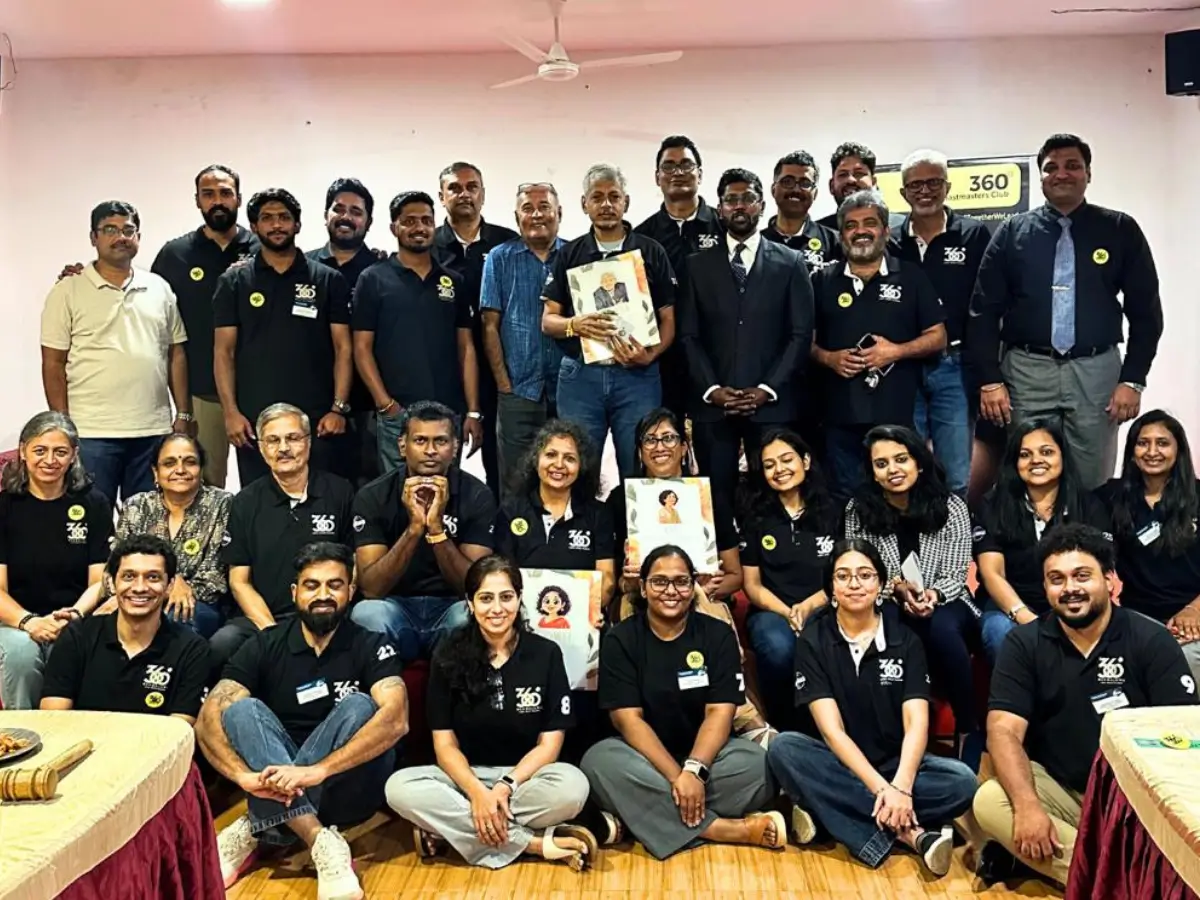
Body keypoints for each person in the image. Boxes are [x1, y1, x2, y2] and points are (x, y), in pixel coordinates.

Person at [973, 524, 1198, 887]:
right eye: (1056, 579)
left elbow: (1183, 738)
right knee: (990, 800)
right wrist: (1028, 807)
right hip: (1066, 794)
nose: (1070, 588)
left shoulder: (1151, 639)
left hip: (1136, 805)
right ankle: (1122, 882)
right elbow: (1003, 730)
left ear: (1109, 580)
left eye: (1082, 575)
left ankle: (1093, 875)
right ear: (1045, 587)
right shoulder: (1024, 644)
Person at [200, 542, 407, 898]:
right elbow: (208, 718)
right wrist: (242, 777)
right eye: (312, 585)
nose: (323, 595)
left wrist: (317, 771)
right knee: (241, 710)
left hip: (349, 788)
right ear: (295, 592)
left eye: (334, 585)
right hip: (275, 783)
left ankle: (258, 824)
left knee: (359, 706)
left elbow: (396, 719)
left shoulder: (371, 644)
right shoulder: (266, 644)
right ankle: (319, 839)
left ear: (351, 591)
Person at [768, 539, 978, 877]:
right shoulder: (812, 640)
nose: (854, 584)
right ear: (831, 588)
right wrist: (884, 791)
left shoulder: (906, 640)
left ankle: (824, 812)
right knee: (783, 748)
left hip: (896, 763)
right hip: (839, 762)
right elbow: (832, 732)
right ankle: (912, 835)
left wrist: (902, 786)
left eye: (865, 575)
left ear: (881, 584)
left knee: (962, 782)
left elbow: (916, 724)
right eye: (843, 576)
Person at [969, 133, 1163, 490]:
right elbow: (982, 311)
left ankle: (1088, 528)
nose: (1061, 174)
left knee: (1092, 476)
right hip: (1027, 371)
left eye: (1072, 166)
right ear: (1041, 176)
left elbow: (1146, 312)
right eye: (1051, 168)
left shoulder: (1119, 229)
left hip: (1096, 372)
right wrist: (990, 379)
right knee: (1029, 470)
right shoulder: (1012, 232)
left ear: (1088, 173)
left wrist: (1133, 379)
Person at [385, 556, 597, 870]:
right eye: (485, 598)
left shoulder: (546, 653)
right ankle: (532, 843)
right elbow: (444, 745)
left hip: (524, 779)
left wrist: (504, 787)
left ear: (520, 599)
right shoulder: (446, 654)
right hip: (463, 779)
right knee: (398, 787)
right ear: (470, 603)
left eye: (506, 597)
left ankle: (451, 832)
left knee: (573, 787)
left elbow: (550, 745)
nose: (497, 608)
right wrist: (476, 794)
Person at [580, 545, 785, 859]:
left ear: (694, 586)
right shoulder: (621, 638)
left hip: (709, 759)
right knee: (598, 762)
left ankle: (641, 816)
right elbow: (628, 720)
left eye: (681, 581)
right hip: (643, 758)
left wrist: (694, 771)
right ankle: (720, 828)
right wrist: (678, 778)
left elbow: (720, 712)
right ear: (643, 588)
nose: (671, 591)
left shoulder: (718, 634)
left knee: (759, 766)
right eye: (659, 582)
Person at [678, 167, 814, 529]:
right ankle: (724, 560)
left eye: (748, 199)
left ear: (762, 204)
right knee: (715, 499)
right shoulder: (696, 265)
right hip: (713, 408)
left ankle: (768, 560)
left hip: (772, 406)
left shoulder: (791, 262)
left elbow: (800, 335)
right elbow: (688, 336)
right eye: (731, 200)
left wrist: (767, 389)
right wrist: (711, 389)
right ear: (720, 208)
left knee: (773, 496)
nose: (739, 206)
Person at [844, 425, 982, 765]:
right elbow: (860, 570)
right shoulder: (858, 510)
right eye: (881, 464)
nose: (892, 469)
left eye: (901, 459)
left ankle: (968, 728)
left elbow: (956, 573)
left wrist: (932, 594)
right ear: (872, 472)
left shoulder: (951, 506)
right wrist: (895, 588)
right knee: (886, 625)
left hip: (948, 599)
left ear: (919, 463)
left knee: (943, 628)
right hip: (887, 600)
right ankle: (888, 733)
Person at [40, 200, 191, 504]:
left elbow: (176, 353)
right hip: (91, 431)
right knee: (90, 515)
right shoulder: (67, 290)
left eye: (128, 230)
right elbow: (53, 362)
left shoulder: (159, 287)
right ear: (93, 237)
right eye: (110, 230)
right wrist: (62, 424)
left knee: (148, 520)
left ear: (138, 237)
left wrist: (183, 413)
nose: (120, 237)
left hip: (152, 429)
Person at [541, 163, 678, 477]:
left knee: (640, 466)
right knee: (578, 467)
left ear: (625, 202)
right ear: (584, 204)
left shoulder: (651, 251)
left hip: (638, 377)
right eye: (597, 197)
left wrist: (650, 355)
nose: (606, 204)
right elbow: (548, 321)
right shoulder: (569, 254)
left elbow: (669, 320)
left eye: (614, 197)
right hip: (581, 376)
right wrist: (575, 325)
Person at [811, 191, 947, 501]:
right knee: (846, 497)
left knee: (902, 495)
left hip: (898, 413)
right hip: (839, 416)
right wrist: (829, 358)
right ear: (841, 234)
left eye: (869, 223)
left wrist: (897, 351)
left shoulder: (911, 276)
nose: (860, 231)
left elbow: (938, 336)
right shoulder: (821, 280)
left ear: (885, 230)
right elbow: (804, 341)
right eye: (851, 225)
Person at [213, 187, 354, 485]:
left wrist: (338, 408)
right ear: (254, 227)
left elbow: (344, 348)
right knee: (261, 501)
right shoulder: (233, 281)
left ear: (297, 225)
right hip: (253, 422)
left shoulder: (328, 279)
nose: (276, 225)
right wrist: (231, 413)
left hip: (318, 421)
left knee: (320, 499)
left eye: (284, 217)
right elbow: (224, 352)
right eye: (267, 218)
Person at [210, 404, 355, 674]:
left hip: (327, 613)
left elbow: (354, 566)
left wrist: (330, 614)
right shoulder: (245, 502)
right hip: (264, 618)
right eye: (273, 440)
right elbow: (239, 582)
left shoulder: (340, 492)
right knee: (223, 643)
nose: (284, 448)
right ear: (262, 449)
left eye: (293, 438)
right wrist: (274, 634)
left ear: (308, 442)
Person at [350, 401, 496, 660]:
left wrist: (436, 529)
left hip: (451, 605)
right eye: (420, 441)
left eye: (440, 441)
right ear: (402, 446)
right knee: (367, 613)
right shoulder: (373, 496)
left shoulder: (478, 496)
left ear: (455, 447)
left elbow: (476, 587)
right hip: (396, 606)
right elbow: (372, 589)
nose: (430, 451)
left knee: (473, 614)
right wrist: (415, 528)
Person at [353, 190, 482, 473]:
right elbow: (361, 348)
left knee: (445, 492)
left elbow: (466, 348)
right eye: (409, 221)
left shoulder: (453, 281)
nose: (419, 227)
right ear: (394, 228)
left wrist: (472, 410)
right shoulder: (373, 279)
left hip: (448, 414)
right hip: (398, 415)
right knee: (398, 493)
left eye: (426, 220)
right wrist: (386, 405)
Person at [891, 150, 992, 497]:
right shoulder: (891, 241)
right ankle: (913, 532)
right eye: (915, 185)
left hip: (955, 367)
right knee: (906, 468)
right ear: (903, 192)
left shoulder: (974, 235)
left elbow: (987, 307)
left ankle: (956, 533)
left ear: (947, 187)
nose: (925, 191)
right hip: (903, 368)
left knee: (955, 473)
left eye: (933, 182)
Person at [151, 164, 258, 488]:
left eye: (225, 193)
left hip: (257, 391)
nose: (217, 201)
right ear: (197, 200)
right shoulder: (175, 255)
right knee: (205, 486)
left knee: (263, 484)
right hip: (202, 393)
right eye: (208, 194)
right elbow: (142, 296)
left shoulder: (262, 249)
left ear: (239, 198)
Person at [973, 418, 1110, 663]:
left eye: (1047, 452)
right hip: (1009, 605)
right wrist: (1024, 617)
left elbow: (1099, 570)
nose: (1036, 460)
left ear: (1063, 457)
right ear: (1014, 463)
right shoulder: (992, 505)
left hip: (1071, 601)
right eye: (1025, 455)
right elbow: (992, 573)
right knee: (998, 631)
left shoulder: (1088, 506)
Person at [0, 412, 113, 709]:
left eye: (60, 452)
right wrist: (29, 622)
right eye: (40, 450)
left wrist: (73, 616)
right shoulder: (5, 507)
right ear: (23, 451)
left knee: (73, 650)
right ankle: (23, 730)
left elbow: (99, 581)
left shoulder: (94, 503)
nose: (50, 460)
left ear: (73, 455)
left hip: (76, 618)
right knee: (22, 655)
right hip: (14, 622)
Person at [40, 534, 210, 722]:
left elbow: (180, 730)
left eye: (153, 577)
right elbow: (53, 720)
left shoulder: (192, 650)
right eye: (129, 576)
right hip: (82, 740)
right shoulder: (77, 637)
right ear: (112, 584)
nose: (139, 588)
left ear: (169, 586)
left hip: (156, 742)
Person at [740, 429, 839, 728]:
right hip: (772, 612)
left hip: (826, 606)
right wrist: (787, 613)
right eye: (769, 465)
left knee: (829, 643)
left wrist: (808, 607)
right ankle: (784, 729)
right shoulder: (755, 516)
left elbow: (843, 574)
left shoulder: (833, 510)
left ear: (805, 461)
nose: (779, 470)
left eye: (787, 460)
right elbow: (752, 585)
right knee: (778, 647)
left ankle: (830, 730)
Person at [434, 162, 520, 497]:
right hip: (447, 374)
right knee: (442, 467)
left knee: (504, 468)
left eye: (472, 187)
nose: (464, 194)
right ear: (442, 196)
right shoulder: (428, 246)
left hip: (502, 373)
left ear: (483, 194)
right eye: (455, 188)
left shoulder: (507, 243)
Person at [1096, 410, 1200, 679]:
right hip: (1137, 617)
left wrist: (1194, 610)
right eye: (1143, 443)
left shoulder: (1198, 496)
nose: (1152, 451)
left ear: (1178, 450)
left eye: (1162, 443)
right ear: (1132, 451)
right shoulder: (1110, 497)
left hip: (1194, 613)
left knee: (1188, 657)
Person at [481, 183, 566, 500]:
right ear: (517, 217)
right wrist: (504, 384)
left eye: (544, 207)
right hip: (518, 390)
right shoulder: (499, 259)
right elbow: (490, 326)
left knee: (566, 476)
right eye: (527, 208)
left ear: (559, 213)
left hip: (569, 390)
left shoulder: (576, 255)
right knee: (515, 484)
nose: (537, 215)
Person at [634, 135, 724, 417]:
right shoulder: (642, 238)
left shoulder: (725, 228)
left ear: (700, 174)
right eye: (669, 166)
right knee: (663, 435)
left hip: (717, 358)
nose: (678, 172)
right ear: (657, 177)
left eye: (686, 165)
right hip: (661, 362)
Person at [307, 177, 387, 486]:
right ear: (325, 215)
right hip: (316, 404)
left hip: (370, 406)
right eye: (338, 209)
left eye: (356, 211)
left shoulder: (383, 271)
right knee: (320, 490)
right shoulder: (303, 267)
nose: (346, 217)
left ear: (368, 221)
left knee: (371, 490)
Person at [115, 433, 233, 639]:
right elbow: (116, 564)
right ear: (155, 471)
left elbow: (215, 576)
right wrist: (169, 585)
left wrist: (173, 589)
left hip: (199, 603)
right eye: (169, 463)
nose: (180, 470)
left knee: (173, 620)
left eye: (190, 462)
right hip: (138, 596)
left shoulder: (222, 504)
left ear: (201, 469)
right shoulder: (137, 506)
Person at [495, 419, 615, 596]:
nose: (559, 465)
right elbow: (501, 578)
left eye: (569, 458)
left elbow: (607, 581)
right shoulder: (510, 511)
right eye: (551, 455)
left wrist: (583, 609)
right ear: (536, 459)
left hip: (582, 611)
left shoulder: (598, 514)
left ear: (581, 466)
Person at [761, 150, 840, 271]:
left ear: (815, 193)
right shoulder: (756, 243)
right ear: (773, 189)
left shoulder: (835, 242)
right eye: (787, 182)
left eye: (805, 183)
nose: (796, 189)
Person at [816, 142, 883, 231]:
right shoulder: (819, 232)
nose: (851, 180)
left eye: (859, 173)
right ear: (831, 186)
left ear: (873, 182)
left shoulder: (897, 229)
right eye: (843, 174)